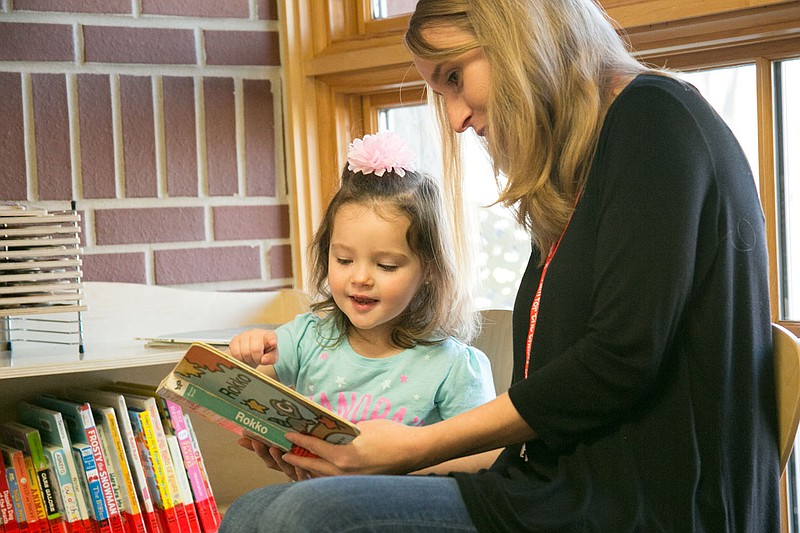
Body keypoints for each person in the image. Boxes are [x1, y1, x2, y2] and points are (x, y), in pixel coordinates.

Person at [219, 0, 780, 531]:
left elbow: (617, 361)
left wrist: (414, 447)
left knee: (305, 520)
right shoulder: (579, 170)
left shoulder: (655, 122)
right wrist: (354, 459)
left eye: (455, 78)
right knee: (251, 515)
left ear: (517, 37)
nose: (457, 118)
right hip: (554, 486)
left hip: (642, 506)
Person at [227, 129, 497, 480]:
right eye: (343, 260)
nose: (361, 278)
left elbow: (486, 459)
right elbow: (246, 391)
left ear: (429, 269)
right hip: (320, 502)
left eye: (386, 266)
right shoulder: (306, 338)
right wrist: (247, 358)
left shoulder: (453, 366)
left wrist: (407, 465)